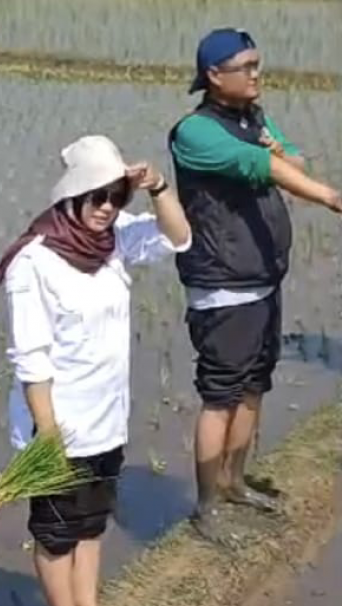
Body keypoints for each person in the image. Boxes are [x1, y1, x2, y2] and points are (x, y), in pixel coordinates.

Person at [0, 135, 191, 606]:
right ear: (70, 196)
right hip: (57, 426)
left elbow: (177, 237)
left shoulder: (114, 239)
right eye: (95, 196)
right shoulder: (34, 262)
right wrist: (49, 435)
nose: (106, 207)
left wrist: (159, 186)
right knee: (57, 535)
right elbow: (31, 356)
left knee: (92, 524)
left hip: (107, 419)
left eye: (115, 196)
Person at [169, 28, 342, 543]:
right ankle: (206, 504)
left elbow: (292, 160)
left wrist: (276, 146)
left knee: (252, 389)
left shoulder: (254, 117)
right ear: (214, 76)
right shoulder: (194, 132)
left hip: (263, 279)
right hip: (224, 287)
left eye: (258, 65)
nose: (257, 75)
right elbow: (260, 164)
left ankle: (235, 482)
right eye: (246, 67)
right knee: (220, 396)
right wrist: (333, 199)